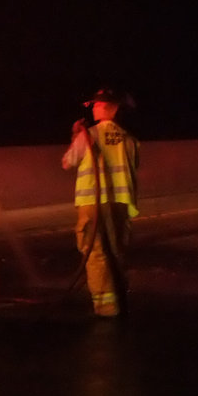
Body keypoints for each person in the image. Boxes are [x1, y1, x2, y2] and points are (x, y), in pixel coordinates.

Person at [61, 87, 139, 318]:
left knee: (95, 252)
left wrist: (76, 135)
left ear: (107, 107)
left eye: (95, 105)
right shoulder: (130, 139)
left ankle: (106, 307)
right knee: (117, 251)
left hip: (92, 203)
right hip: (121, 204)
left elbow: (67, 162)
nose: (93, 109)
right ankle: (121, 298)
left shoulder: (89, 135)